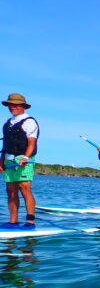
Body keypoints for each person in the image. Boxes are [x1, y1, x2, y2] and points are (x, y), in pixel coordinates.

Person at [0, 93, 39, 229]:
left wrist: (25, 157)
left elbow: (31, 143)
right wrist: (1, 162)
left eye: (15, 105)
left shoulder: (29, 122)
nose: (12, 107)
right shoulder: (7, 124)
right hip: (8, 160)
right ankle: (13, 221)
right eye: (10, 105)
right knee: (10, 191)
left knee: (24, 187)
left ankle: (30, 221)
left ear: (23, 106)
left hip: (25, 159)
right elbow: (5, 145)